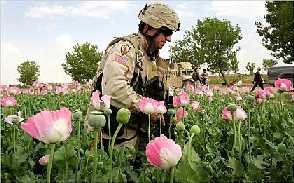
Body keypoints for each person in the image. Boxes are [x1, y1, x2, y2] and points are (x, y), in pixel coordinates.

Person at [87, 3, 180, 151]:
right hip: (112, 135)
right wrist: (149, 107)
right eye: (166, 32)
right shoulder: (126, 49)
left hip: (137, 132)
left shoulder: (152, 58)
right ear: (148, 28)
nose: (168, 39)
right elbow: (114, 88)